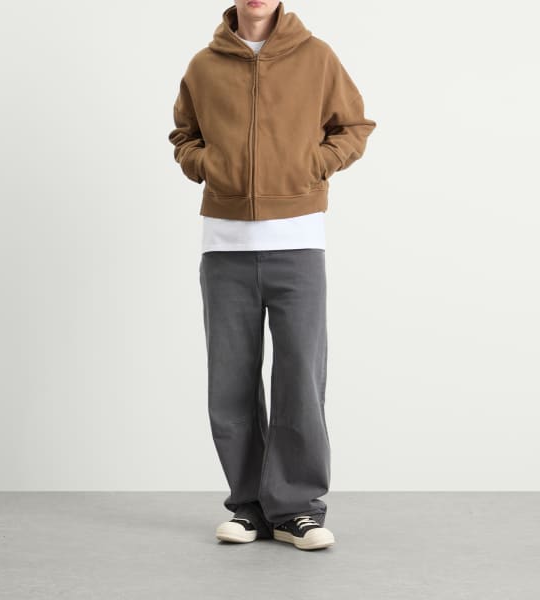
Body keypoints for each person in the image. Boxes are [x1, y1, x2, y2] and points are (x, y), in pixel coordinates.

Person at [168, 0, 376, 551]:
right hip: (225, 247)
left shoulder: (317, 57)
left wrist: (313, 165)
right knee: (230, 383)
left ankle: (297, 510)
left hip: (298, 243)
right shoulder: (204, 65)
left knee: (299, 379)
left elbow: (353, 126)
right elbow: (184, 135)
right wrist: (208, 166)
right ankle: (249, 507)